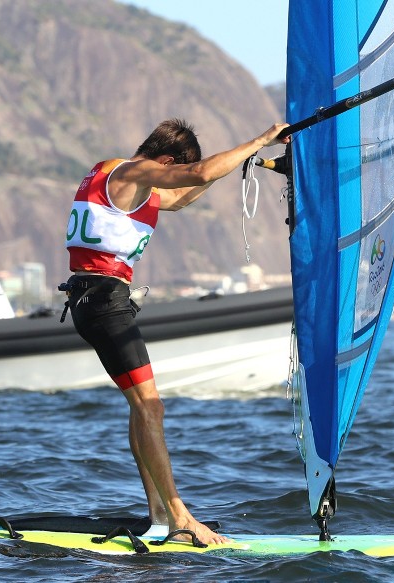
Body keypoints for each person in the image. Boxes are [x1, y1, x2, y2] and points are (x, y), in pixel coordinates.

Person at [61, 118, 289, 545]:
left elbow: (183, 197)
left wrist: (251, 161)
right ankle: (180, 516)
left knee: (142, 407)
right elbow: (197, 174)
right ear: (164, 161)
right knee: (151, 407)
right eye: (171, 170)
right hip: (104, 302)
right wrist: (258, 139)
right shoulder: (132, 170)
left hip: (95, 300)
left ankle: (159, 514)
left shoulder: (116, 179)